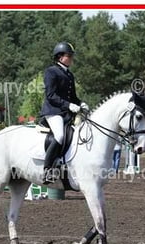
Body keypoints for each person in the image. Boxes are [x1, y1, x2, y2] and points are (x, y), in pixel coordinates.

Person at [40, 41, 89, 183]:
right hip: (53, 111)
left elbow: (72, 97)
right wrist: (69, 105)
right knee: (60, 136)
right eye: (69, 56)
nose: (72, 58)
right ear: (60, 57)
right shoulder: (51, 72)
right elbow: (51, 95)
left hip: (66, 113)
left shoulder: (69, 75)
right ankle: (47, 170)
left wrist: (80, 103)